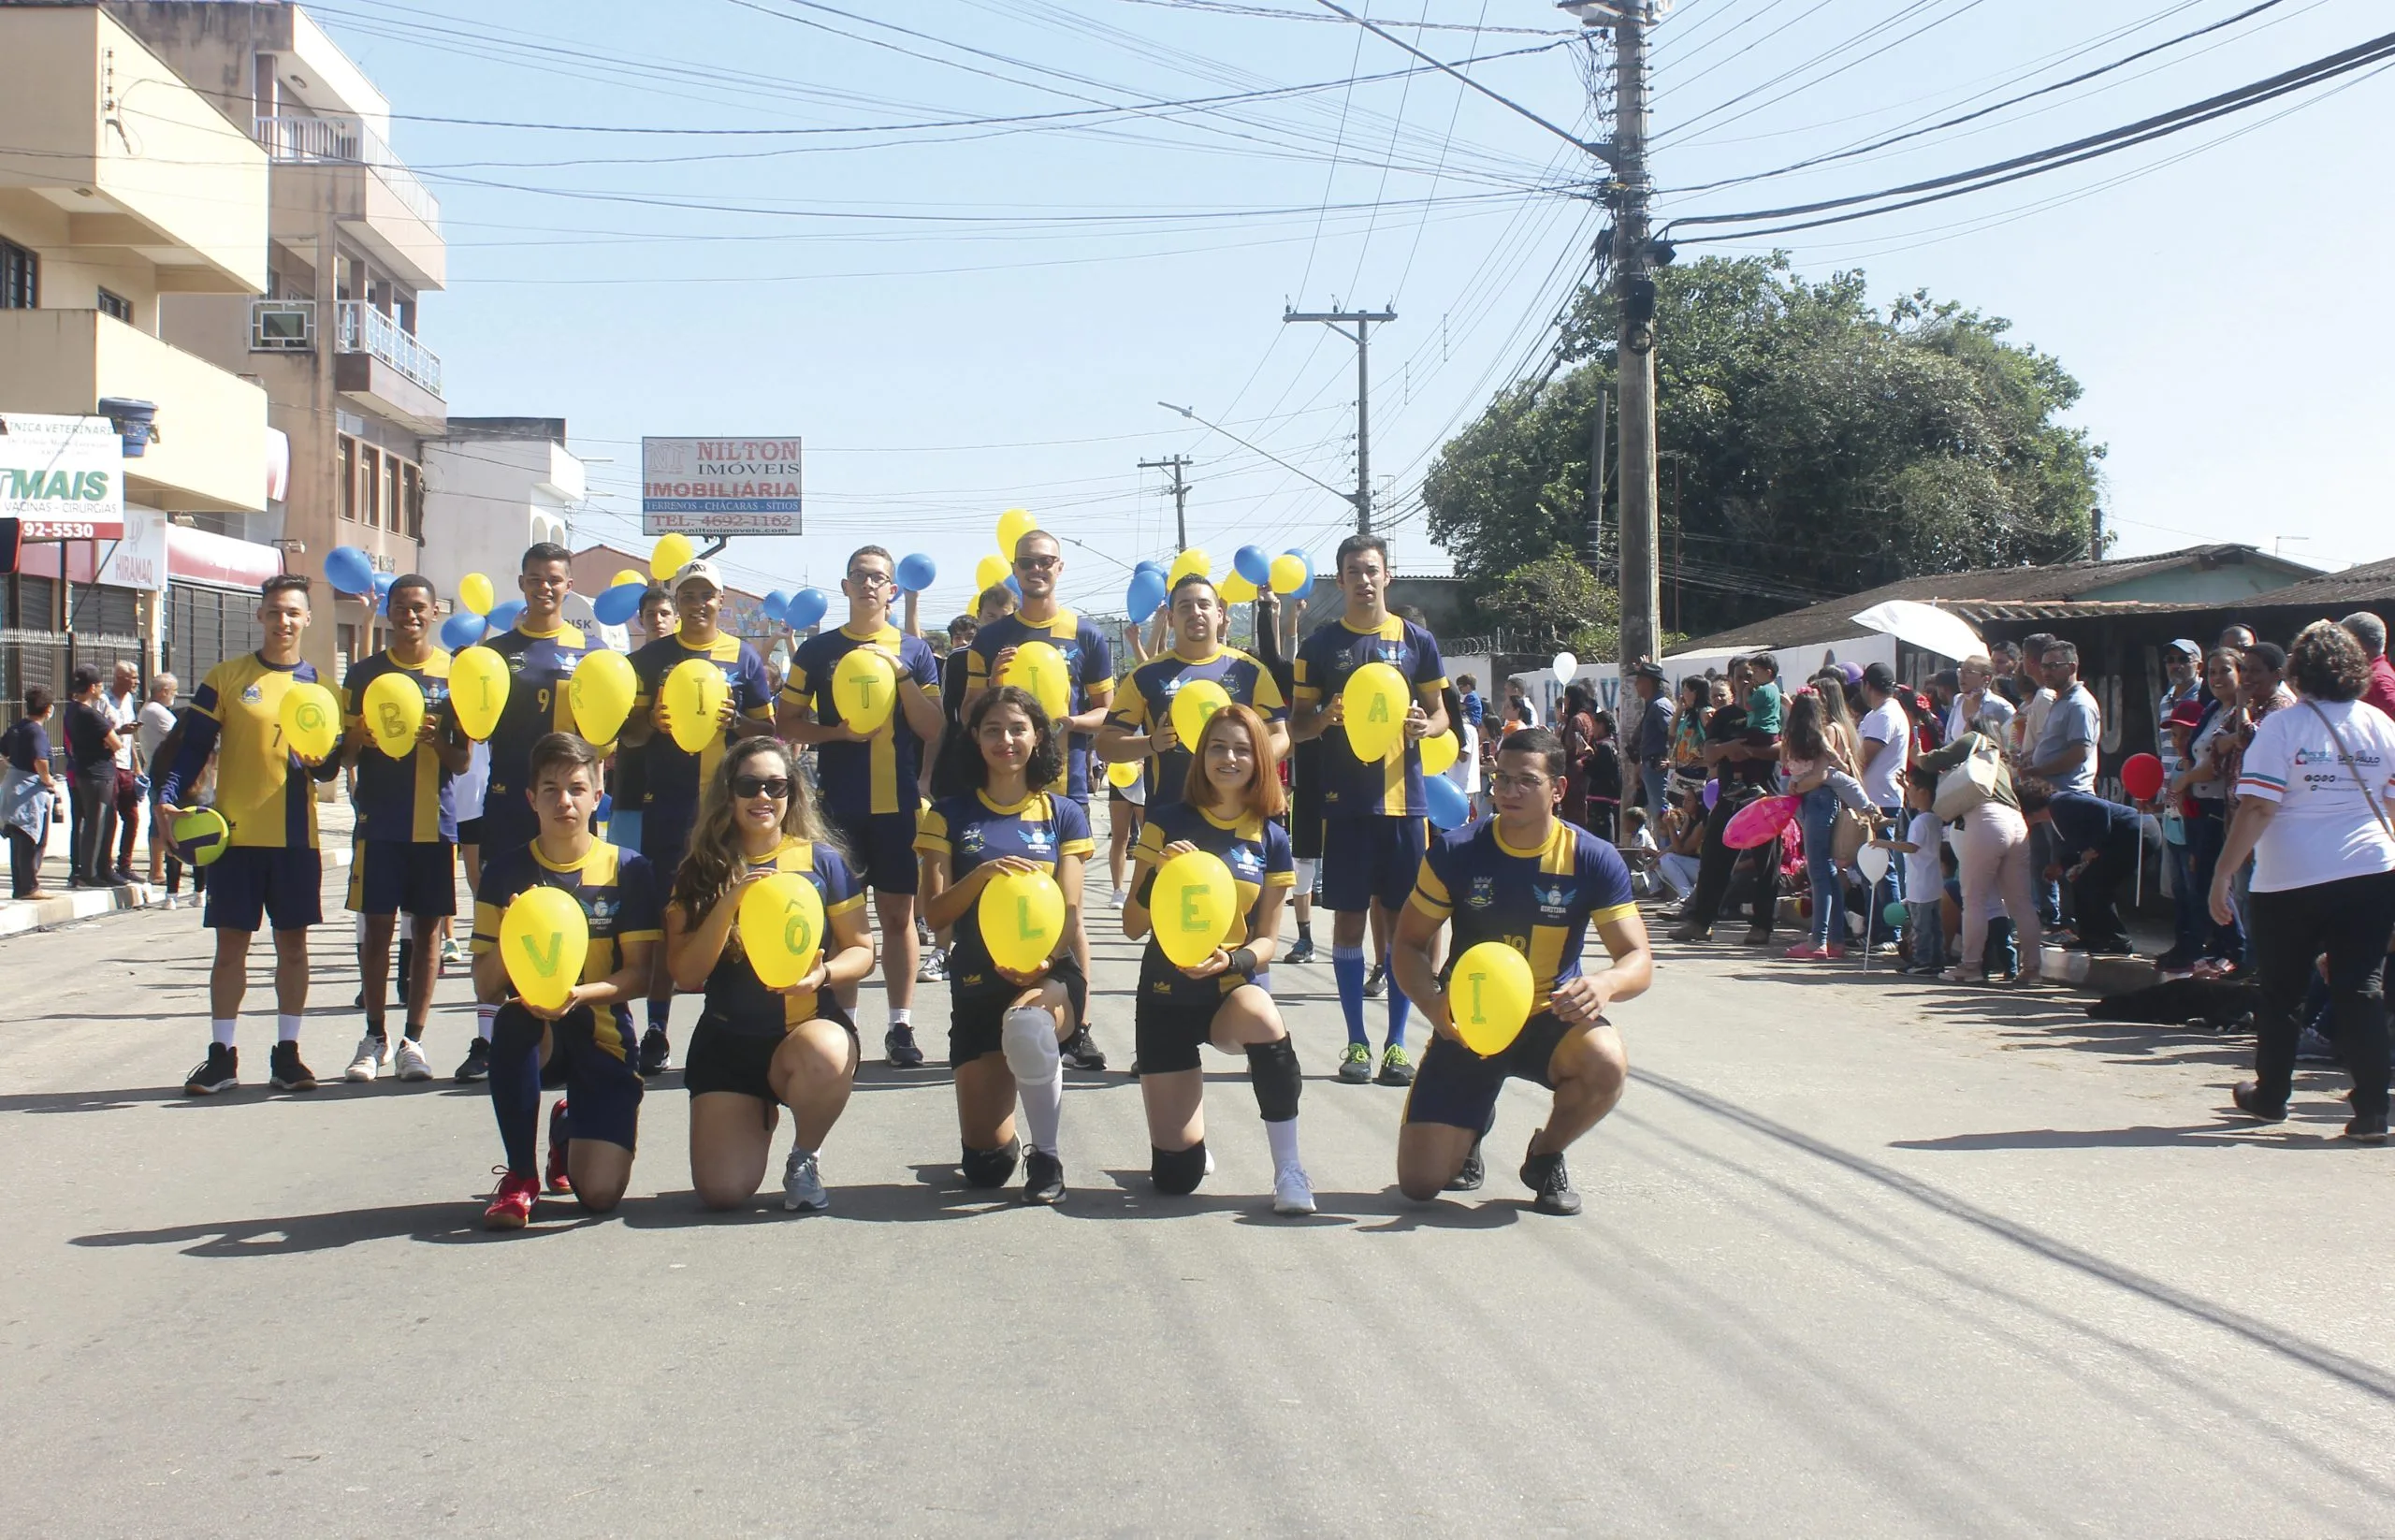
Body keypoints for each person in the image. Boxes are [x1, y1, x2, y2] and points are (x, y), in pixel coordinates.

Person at [1390, 728, 1650, 1214]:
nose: (1509, 791)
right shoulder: (1456, 852)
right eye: (1501, 779)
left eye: (1526, 781)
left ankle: (1545, 1155)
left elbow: (1638, 959)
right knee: (1420, 1185)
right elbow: (1407, 944)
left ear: (1559, 789)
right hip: (1471, 1020)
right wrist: (1433, 1004)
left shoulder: (1592, 858)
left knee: (1606, 1062)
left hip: (1550, 1015)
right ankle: (1472, 1124)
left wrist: (1605, 983)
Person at [665, 737, 875, 1212]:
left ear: (791, 794)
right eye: (749, 785)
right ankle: (755, 1107)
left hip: (804, 1031)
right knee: (722, 1192)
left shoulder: (822, 860)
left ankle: (805, 1155)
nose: (763, 796)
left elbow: (863, 951)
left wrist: (824, 976)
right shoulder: (700, 869)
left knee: (828, 1049)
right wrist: (729, 903)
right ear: (728, 793)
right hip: (728, 1042)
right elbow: (685, 972)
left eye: (776, 786)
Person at [1120, 704, 1314, 1213]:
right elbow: (1132, 925)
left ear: (1260, 759)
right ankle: (1189, 1147)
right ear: (1201, 755)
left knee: (1264, 1014)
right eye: (1218, 747)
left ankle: (1289, 1170)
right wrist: (1158, 874)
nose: (1229, 758)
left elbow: (1268, 942)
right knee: (1176, 1178)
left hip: (1226, 992)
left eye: (1242, 749)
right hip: (1165, 998)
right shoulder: (1166, 822)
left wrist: (1231, 963)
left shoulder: (1271, 837)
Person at [157, 574, 345, 1094]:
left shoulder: (324, 689)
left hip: (295, 842)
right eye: (275, 611)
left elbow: (330, 768)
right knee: (230, 949)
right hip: (233, 841)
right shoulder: (227, 677)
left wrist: (320, 759)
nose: (283, 621)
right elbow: (192, 747)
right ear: (260, 616)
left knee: (294, 949)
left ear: (307, 619)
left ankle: (288, 1055)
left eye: (293, 613)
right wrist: (167, 796)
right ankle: (221, 1057)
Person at [2214, 620, 2395, 1142]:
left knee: (2281, 992)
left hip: (2290, 877)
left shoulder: (2283, 727)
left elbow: (2257, 808)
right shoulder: (2379, 725)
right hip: (2370, 871)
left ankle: (2272, 1096)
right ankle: (2373, 1111)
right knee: (2360, 989)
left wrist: (2223, 874)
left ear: (2297, 670)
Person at [472, 733, 660, 1228]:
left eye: (576, 788)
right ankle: (520, 1176)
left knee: (599, 1195)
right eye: (550, 789)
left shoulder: (629, 868)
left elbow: (639, 976)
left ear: (598, 796)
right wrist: (511, 939)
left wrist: (576, 996)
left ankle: (567, 1127)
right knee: (511, 1020)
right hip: (540, 1032)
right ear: (531, 799)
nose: (564, 801)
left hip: (602, 1033)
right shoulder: (505, 872)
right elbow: (485, 987)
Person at [915, 686, 1093, 1205]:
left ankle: (1047, 1156)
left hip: (1048, 973)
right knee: (986, 1167)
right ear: (975, 738)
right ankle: (1004, 1142)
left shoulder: (1063, 813)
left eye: (1018, 728)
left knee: (1028, 1026)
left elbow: (1071, 911)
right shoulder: (948, 814)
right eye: (992, 729)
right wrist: (982, 875)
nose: (1006, 740)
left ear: (1037, 737)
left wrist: (1047, 962)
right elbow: (935, 914)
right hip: (977, 981)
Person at [1289, 533, 1449, 1087]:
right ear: (1340, 580)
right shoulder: (1319, 646)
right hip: (1346, 807)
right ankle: (1357, 1041)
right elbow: (1296, 726)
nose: (1363, 580)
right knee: (1349, 924)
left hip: (1406, 807)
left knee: (1405, 928)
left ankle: (1396, 1044)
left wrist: (1426, 725)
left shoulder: (1416, 640)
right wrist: (1323, 719)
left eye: (1372, 570)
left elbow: (1441, 716)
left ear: (1387, 575)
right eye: (1353, 571)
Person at [775, 545, 941, 1070]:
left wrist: (903, 676)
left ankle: (900, 1025)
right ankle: (843, 1024)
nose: (869, 584)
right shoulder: (818, 651)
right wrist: (836, 734)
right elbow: (785, 722)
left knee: (897, 916)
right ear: (845, 587)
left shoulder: (914, 650)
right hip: (837, 807)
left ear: (893, 590)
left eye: (879, 577)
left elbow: (933, 727)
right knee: (844, 923)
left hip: (896, 806)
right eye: (859, 576)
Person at [963, 530, 1113, 1073]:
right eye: (1027, 561)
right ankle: (1002, 1015)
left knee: (1071, 913)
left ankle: (1080, 1026)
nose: (1037, 569)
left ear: (1059, 567)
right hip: (1001, 793)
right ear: (1015, 567)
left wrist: (1071, 722)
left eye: (1046, 561)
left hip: (1063, 792)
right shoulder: (991, 638)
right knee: (1004, 902)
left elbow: (1108, 711)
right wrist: (991, 686)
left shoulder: (1086, 635)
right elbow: (967, 715)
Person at [622, 559, 777, 1076]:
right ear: (677, 602)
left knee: (737, 917)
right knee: (668, 919)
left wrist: (738, 722)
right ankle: (657, 1028)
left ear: (720, 601)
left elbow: (769, 733)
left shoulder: (744, 656)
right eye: (688, 595)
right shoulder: (651, 658)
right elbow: (627, 735)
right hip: (667, 808)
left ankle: (739, 1022)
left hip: (731, 812)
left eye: (706, 595)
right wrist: (651, 720)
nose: (698, 604)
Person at [338, 574, 472, 1082]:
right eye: (400, 606)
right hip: (379, 821)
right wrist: (361, 739)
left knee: (428, 933)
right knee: (376, 929)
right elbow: (344, 754)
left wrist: (437, 741)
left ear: (434, 612)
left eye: (419, 607)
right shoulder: (363, 674)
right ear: (388, 612)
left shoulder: (454, 675)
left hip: (434, 825)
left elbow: (462, 761)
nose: (410, 615)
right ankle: (374, 1037)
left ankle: (414, 1040)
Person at [1098, 572, 1288, 811]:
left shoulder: (1251, 670)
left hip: (1240, 814)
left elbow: (1281, 736)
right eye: (1185, 607)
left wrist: (1248, 760)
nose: (1195, 612)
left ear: (1219, 614)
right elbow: (1105, 744)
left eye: (1204, 604)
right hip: (1169, 816)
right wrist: (1152, 743)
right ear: (1170, 618)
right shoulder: (1145, 675)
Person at [921, 587, 1020, 986]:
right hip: (963, 769)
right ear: (978, 617)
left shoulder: (1030, 652)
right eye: (989, 617)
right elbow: (952, 719)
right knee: (949, 865)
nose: (995, 624)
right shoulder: (963, 659)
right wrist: (927, 773)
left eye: (1003, 616)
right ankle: (941, 950)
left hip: (1013, 776)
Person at [1910, 724, 2041, 985]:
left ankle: (1970, 966)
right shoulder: (2000, 763)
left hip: (1985, 820)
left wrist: (1918, 757)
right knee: (2021, 903)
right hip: (2016, 822)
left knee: (1974, 900)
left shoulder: (1976, 740)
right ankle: (2032, 970)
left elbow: (1933, 761)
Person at [2171, 649, 2247, 973]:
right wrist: (2185, 784)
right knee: (2197, 881)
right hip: (2197, 808)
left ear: (2241, 672)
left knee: (2212, 881)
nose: (2217, 678)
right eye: (2212, 672)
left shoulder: (2242, 715)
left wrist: (2186, 779)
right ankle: (2218, 948)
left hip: (2223, 807)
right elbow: (2195, 754)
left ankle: (2237, 950)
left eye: (2225, 671)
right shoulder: (2214, 709)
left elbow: (2216, 764)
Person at [2018, 775, 2141, 954]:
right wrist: (2061, 865)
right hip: (2121, 837)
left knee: (2095, 884)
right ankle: (2090, 937)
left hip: (2132, 832)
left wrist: (2095, 846)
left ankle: (2118, 940)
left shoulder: (2060, 802)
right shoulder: (2056, 815)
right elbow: (2076, 844)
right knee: (2082, 882)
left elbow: (2101, 809)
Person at [1781, 690, 1854, 961]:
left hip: (1818, 801)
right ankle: (1835, 939)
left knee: (1819, 872)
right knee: (1828, 872)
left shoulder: (1810, 738)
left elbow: (1820, 775)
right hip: (1820, 801)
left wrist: (1797, 786)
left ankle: (1818, 940)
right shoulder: (1813, 737)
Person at [606, 586, 676, 858]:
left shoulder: (693, 667)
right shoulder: (627, 666)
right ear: (640, 619)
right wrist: (649, 721)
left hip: (679, 794)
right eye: (651, 614)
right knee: (627, 871)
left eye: (664, 613)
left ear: (676, 618)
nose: (658, 620)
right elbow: (618, 731)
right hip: (632, 789)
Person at [1857, 662, 1913, 952]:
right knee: (1870, 869)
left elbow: (1863, 757)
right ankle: (1874, 929)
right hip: (1872, 800)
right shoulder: (1876, 714)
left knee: (1885, 869)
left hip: (1883, 802)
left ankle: (1893, 931)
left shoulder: (1886, 715)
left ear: (1867, 685)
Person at [1876, 776, 1947, 975]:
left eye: (1911, 790)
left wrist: (1885, 843)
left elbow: (1911, 847)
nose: (1908, 795)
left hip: (1920, 884)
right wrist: (1906, 786)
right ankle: (1937, 960)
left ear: (1923, 792)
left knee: (1921, 927)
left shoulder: (1920, 822)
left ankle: (1922, 961)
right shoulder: (1935, 818)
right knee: (1934, 927)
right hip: (1933, 883)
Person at [60, 665, 121, 888]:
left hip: (83, 771)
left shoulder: (72, 711)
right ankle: (90, 872)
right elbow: (116, 743)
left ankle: (97, 869)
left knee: (95, 822)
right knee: (97, 823)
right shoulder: (90, 714)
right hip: (98, 774)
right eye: (100, 685)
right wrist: (108, 742)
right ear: (93, 687)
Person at [2, 687, 62, 900]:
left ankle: (20, 886)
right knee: (31, 839)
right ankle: (29, 887)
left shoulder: (17, 728)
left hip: (12, 787)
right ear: (48, 709)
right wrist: (48, 780)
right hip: (28, 792)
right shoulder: (36, 732)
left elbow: (3, 751)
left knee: (18, 839)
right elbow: (40, 760)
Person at [137, 674, 180, 888]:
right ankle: (157, 870)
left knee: (162, 820)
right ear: (164, 691)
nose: (175, 696)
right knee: (160, 821)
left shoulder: (151, 710)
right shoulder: (156, 711)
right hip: (162, 773)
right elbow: (180, 735)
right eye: (174, 691)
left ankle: (160, 868)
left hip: (160, 771)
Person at [104, 659, 143, 883]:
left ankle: (125, 864)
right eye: (133, 677)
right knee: (110, 818)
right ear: (120, 678)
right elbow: (102, 734)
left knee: (132, 816)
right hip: (110, 765)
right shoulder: (104, 701)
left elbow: (130, 738)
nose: (137, 681)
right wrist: (119, 731)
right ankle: (105, 865)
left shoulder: (129, 700)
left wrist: (136, 764)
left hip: (126, 766)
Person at [1628, 662, 1673, 815]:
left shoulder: (1660, 706)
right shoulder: (1652, 704)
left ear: (1647, 682)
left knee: (1663, 814)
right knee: (1656, 814)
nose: (1636, 684)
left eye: (1638, 680)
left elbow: (1674, 734)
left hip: (1657, 768)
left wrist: (1671, 760)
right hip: (1650, 767)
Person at [1947, 655, 2015, 744]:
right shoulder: (1958, 700)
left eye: (1968, 672)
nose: (1962, 676)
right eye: (1960, 671)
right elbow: (1948, 738)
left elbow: (2014, 742)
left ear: (1986, 679)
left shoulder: (2000, 707)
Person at [2341, 613, 2395, 719]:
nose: (2340, 647)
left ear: (2357, 644)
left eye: (2343, 642)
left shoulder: (2378, 680)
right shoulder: (2377, 672)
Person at [1745, 654, 1783, 736]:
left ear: (1768, 673)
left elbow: (1748, 707)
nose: (1753, 675)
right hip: (1773, 730)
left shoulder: (1763, 690)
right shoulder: (1775, 688)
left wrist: (1746, 690)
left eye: (1755, 671)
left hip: (1761, 730)